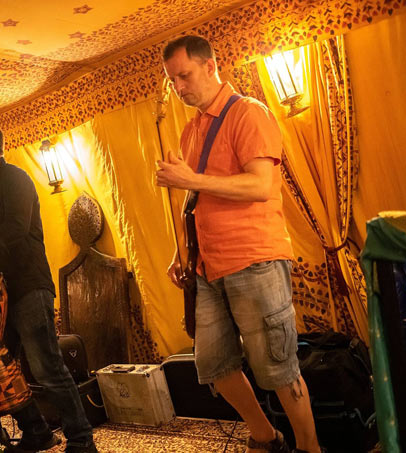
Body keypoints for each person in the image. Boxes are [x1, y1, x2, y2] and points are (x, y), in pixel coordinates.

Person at [156, 35, 322, 453]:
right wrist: (182, 252)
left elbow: (261, 184)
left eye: (184, 76)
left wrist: (189, 179)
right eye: (172, 81)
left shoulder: (249, 113)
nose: (178, 88)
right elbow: (196, 200)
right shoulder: (192, 130)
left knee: (278, 369)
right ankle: (267, 438)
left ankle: (310, 448)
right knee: (213, 366)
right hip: (206, 266)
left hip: (254, 259)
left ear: (211, 66)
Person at [0, 121, 97, 453]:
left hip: (29, 285)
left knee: (46, 365)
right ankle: (37, 431)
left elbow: (14, 228)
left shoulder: (16, 179)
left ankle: (82, 440)